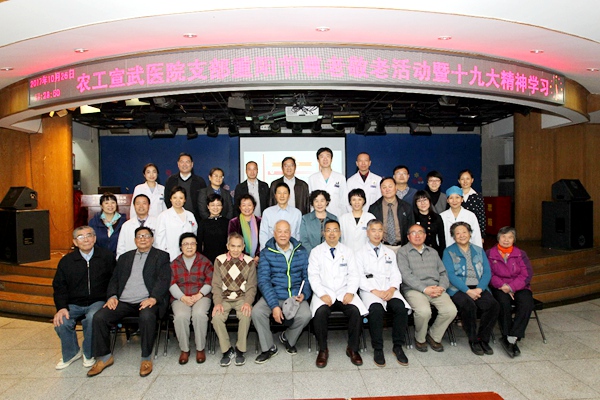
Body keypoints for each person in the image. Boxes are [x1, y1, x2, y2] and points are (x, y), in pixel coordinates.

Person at [88, 226, 171, 377]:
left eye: (146, 236)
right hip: (123, 301)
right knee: (99, 317)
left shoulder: (161, 256)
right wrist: (112, 296)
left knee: (147, 316)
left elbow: (164, 280)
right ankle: (105, 357)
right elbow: (114, 280)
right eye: (139, 236)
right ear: (134, 240)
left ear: (152, 239)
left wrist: (154, 298)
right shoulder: (125, 257)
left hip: (147, 300)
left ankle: (146, 358)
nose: (143, 239)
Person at [52, 226, 115, 370]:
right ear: (75, 242)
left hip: (98, 301)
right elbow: (59, 287)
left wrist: (112, 296)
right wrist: (61, 307)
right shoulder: (66, 261)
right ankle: (71, 353)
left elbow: (114, 280)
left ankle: (89, 353)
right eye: (81, 237)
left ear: (94, 238)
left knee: (93, 318)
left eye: (89, 235)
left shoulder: (106, 256)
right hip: (73, 303)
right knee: (62, 321)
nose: (86, 239)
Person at [308, 220, 368, 368]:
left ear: (340, 233)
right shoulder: (316, 252)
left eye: (335, 230)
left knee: (355, 312)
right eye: (328, 230)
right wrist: (322, 294)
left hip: (343, 291)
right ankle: (323, 349)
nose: (332, 233)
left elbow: (354, 274)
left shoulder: (347, 251)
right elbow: (313, 276)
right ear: (323, 233)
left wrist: (350, 292)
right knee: (320, 313)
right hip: (324, 292)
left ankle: (353, 348)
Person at [252, 220, 312, 364]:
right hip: (273, 294)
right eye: (279, 231)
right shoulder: (266, 253)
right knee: (257, 312)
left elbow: (307, 277)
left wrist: (304, 293)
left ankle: (287, 338)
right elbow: (264, 281)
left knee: (306, 315)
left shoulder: (301, 251)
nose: (283, 235)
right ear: (274, 234)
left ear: (291, 233)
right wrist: (274, 306)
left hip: (295, 295)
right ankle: (268, 348)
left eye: (286, 231)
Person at [355, 219, 410, 367]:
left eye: (380, 230)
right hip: (370, 291)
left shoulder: (389, 252)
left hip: (389, 289)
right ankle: (378, 348)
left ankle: (398, 346)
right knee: (376, 310)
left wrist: (392, 289)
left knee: (401, 308)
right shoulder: (359, 253)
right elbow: (359, 277)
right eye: (373, 230)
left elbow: (396, 274)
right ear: (367, 233)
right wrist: (376, 292)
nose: (377, 233)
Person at [397, 224, 457, 353]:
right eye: (413, 233)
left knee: (450, 310)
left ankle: (434, 335)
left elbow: (443, 273)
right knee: (424, 312)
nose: (417, 235)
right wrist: (424, 289)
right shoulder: (402, 252)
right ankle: (420, 338)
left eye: (420, 232)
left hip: (435, 287)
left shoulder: (433, 252)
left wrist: (441, 287)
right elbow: (406, 275)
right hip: (413, 289)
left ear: (425, 236)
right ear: (408, 236)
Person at [442, 222, 499, 356]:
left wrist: (479, 289)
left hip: (478, 287)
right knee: (468, 305)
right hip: (458, 288)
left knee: (493, 305)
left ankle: (483, 339)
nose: (462, 235)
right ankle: (473, 340)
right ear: (453, 237)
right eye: (458, 233)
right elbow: (450, 274)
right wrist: (467, 291)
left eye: (464, 232)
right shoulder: (448, 251)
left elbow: (487, 272)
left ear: (470, 234)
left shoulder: (479, 250)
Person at [486, 226, 534, 358]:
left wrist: (511, 287)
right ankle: (506, 334)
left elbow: (527, 274)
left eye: (510, 237)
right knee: (503, 302)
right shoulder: (490, 253)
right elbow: (488, 274)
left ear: (514, 239)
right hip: (499, 287)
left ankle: (513, 336)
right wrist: (503, 286)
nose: (506, 240)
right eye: (503, 237)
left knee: (527, 303)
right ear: (498, 238)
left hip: (519, 286)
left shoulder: (520, 254)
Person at [211, 233, 257, 367]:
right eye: (233, 246)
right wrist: (217, 303)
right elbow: (216, 285)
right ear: (227, 246)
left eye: (238, 246)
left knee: (246, 315)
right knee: (216, 317)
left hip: (242, 297)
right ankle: (226, 350)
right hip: (224, 298)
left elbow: (251, 286)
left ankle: (240, 349)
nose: (236, 249)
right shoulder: (219, 260)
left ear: (243, 247)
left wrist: (248, 303)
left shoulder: (249, 262)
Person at [169, 232, 213, 365]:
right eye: (186, 244)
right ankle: (185, 349)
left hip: (201, 295)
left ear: (197, 245)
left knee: (199, 315)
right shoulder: (174, 263)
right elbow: (171, 283)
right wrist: (182, 297)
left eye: (192, 244)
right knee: (180, 316)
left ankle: (200, 348)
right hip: (180, 297)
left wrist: (199, 295)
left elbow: (210, 281)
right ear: (180, 247)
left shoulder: (205, 261)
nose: (189, 247)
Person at [368, 177, 414, 253]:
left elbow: (411, 228)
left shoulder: (406, 207)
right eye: (384, 187)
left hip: (402, 248)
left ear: (396, 188)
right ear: (380, 190)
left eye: (390, 186)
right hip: (382, 247)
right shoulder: (373, 208)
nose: (387, 189)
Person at [155, 186, 198, 261]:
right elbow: (159, 239)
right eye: (175, 197)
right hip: (170, 255)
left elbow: (194, 233)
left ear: (185, 200)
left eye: (181, 198)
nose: (178, 201)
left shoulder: (190, 215)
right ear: (170, 199)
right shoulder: (163, 216)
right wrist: (163, 256)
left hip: (188, 254)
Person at [164, 153, 207, 222]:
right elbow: (167, 199)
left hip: (196, 219)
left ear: (192, 164)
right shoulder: (171, 180)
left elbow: (204, 201)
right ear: (178, 164)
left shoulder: (199, 181)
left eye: (187, 162)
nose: (184, 164)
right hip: (174, 218)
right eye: (182, 162)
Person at [259, 182, 302, 249]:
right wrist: (266, 251)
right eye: (279, 193)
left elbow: (298, 235)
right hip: (271, 250)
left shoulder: (297, 213)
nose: (282, 196)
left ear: (289, 196)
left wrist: (296, 250)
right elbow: (263, 234)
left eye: (285, 193)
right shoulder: (267, 212)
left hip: (291, 250)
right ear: (275, 195)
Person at [308, 147, 347, 218]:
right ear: (318, 160)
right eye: (322, 157)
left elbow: (344, 200)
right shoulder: (312, 178)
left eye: (327, 156)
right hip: (318, 216)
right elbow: (311, 201)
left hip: (336, 215)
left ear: (331, 159)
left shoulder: (340, 178)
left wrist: (343, 217)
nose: (325, 159)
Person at [116, 194, 157, 259]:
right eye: (138, 203)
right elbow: (121, 248)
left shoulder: (157, 223)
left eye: (144, 203)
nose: (141, 206)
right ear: (134, 206)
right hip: (131, 260)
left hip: (153, 259)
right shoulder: (126, 225)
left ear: (149, 205)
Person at [299, 190, 338, 254]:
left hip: (330, 255)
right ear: (312, 203)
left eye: (322, 201)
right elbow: (303, 240)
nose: (319, 204)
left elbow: (337, 238)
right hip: (310, 255)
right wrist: (314, 254)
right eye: (316, 201)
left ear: (327, 202)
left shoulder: (334, 218)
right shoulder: (305, 219)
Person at [340, 188, 376, 253]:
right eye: (354, 200)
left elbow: (374, 237)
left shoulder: (370, 217)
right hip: (346, 253)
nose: (357, 202)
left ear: (364, 201)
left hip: (366, 254)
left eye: (359, 199)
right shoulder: (343, 218)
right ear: (350, 202)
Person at [197, 193, 229, 263]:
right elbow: (199, 243)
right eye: (212, 205)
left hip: (224, 259)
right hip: (207, 259)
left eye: (218, 205)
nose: (215, 208)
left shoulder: (227, 222)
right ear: (208, 206)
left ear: (222, 206)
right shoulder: (203, 223)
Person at [413, 190, 446, 258]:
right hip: (417, 253)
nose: (422, 203)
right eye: (419, 201)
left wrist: (441, 255)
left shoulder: (437, 217)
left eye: (425, 200)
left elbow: (442, 239)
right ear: (415, 203)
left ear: (429, 201)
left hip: (434, 252)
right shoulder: (413, 218)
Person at [228, 194, 261, 261]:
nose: (247, 208)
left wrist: (258, 256)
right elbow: (232, 242)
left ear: (253, 206)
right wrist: (247, 258)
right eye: (243, 205)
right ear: (240, 207)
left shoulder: (260, 221)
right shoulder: (234, 222)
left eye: (249, 205)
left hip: (259, 259)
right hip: (240, 259)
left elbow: (263, 241)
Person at [458, 169, 486, 241]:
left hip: (474, 231)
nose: (465, 181)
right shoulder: (455, 196)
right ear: (459, 181)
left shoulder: (477, 196)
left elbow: (481, 216)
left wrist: (481, 235)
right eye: (462, 179)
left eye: (467, 179)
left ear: (472, 180)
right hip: (457, 232)